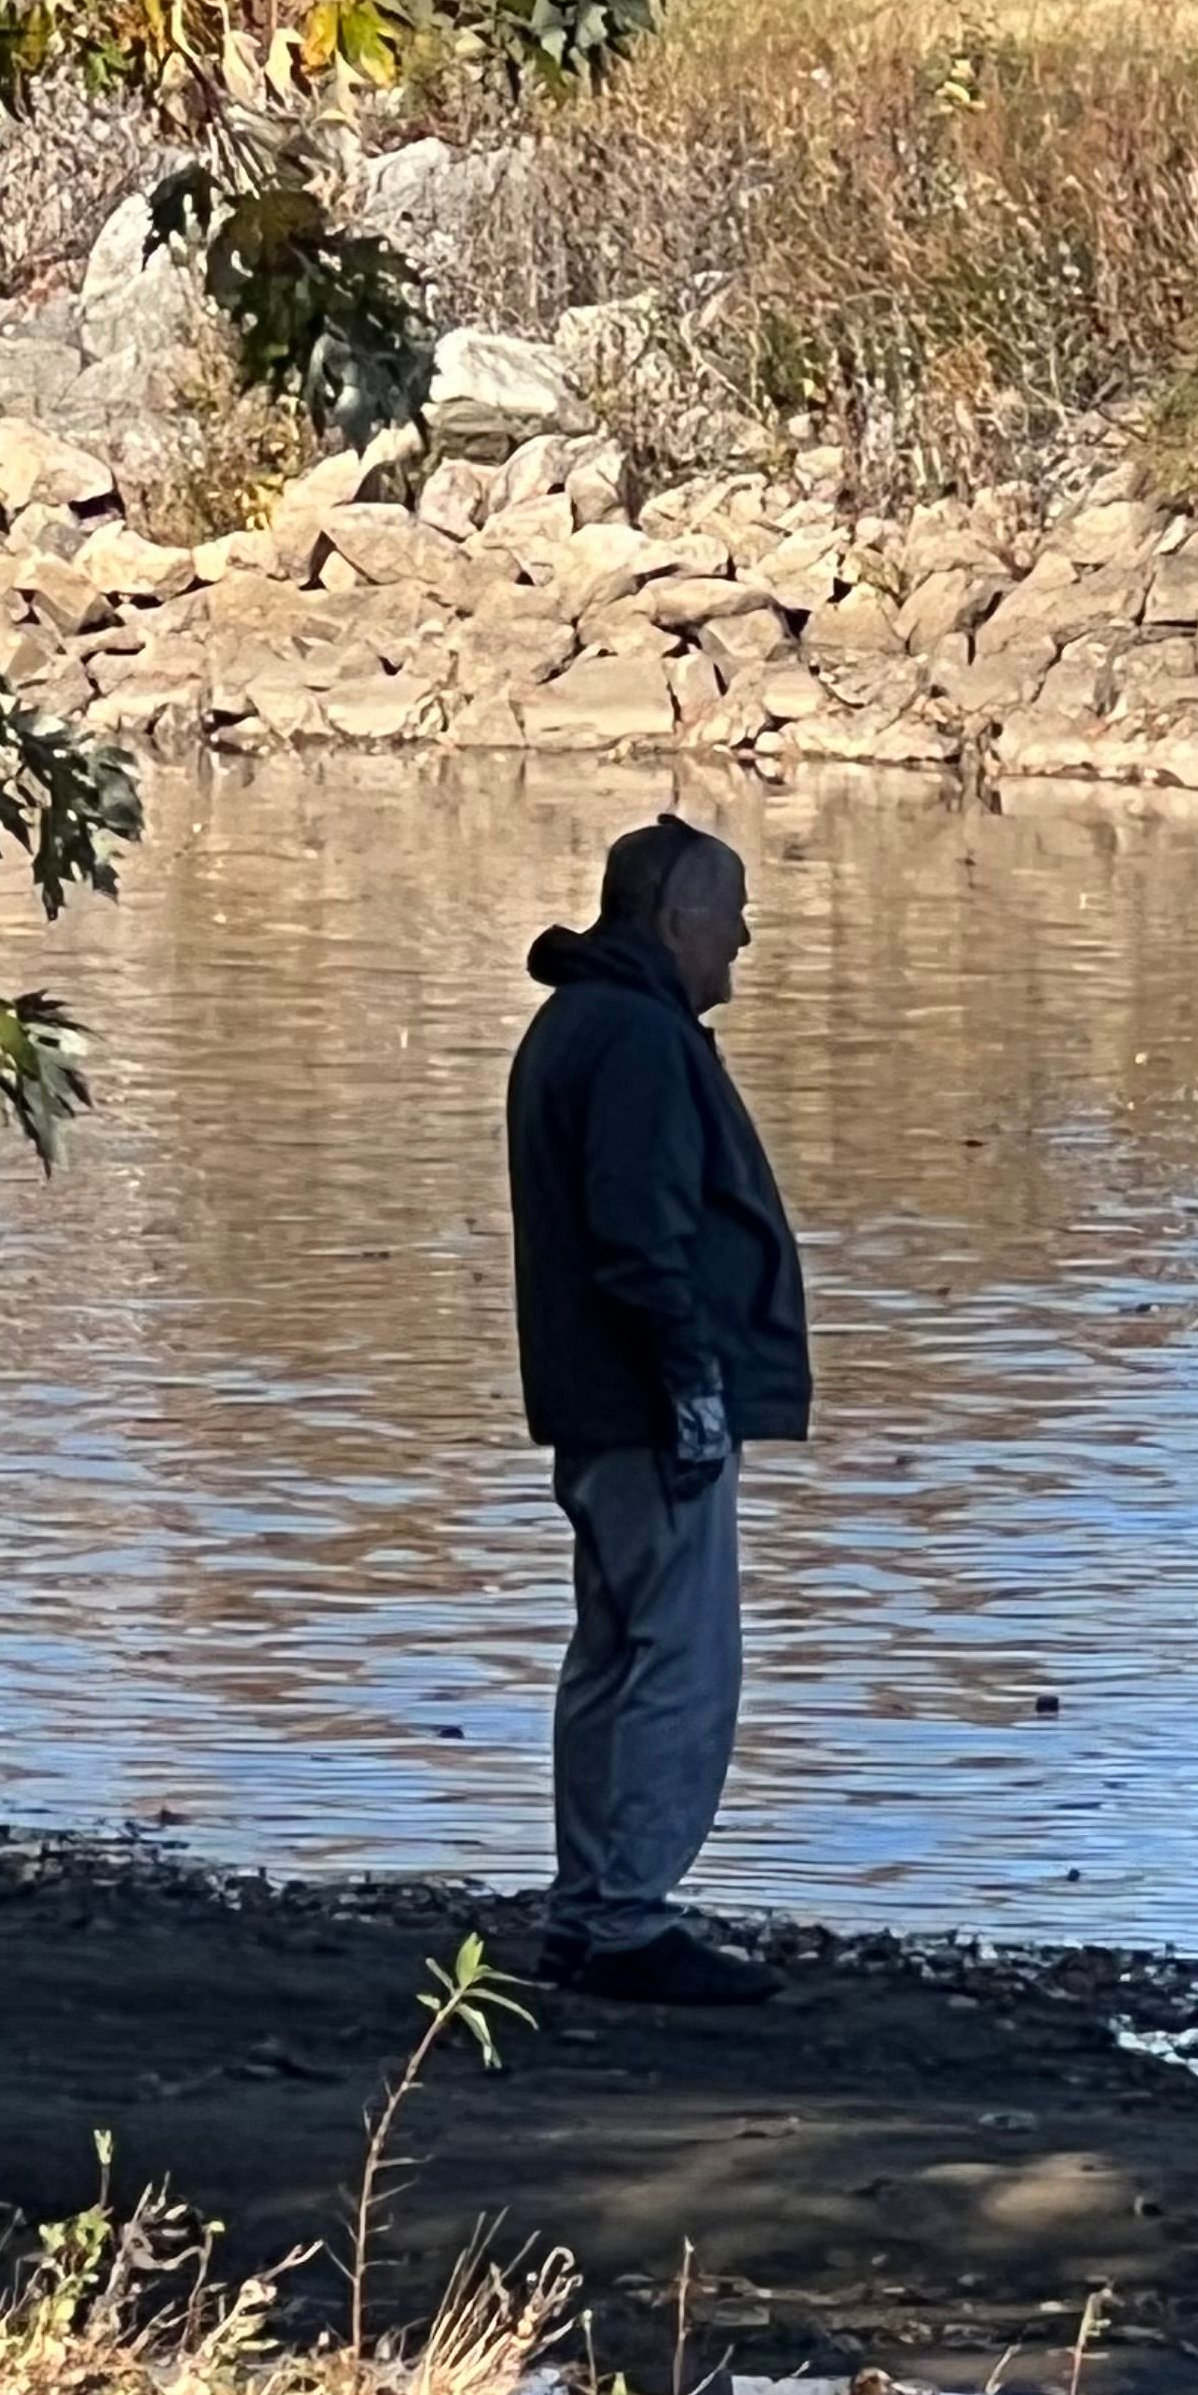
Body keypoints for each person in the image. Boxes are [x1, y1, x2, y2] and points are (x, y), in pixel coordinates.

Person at [507, 814, 811, 2005]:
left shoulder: (585, 1022)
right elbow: (643, 1239)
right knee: (677, 1662)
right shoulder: (635, 1038)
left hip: (597, 1405)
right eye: (731, 913)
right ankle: (624, 1921)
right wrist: (691, 1391)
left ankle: (589, 1911)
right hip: (640, 1408)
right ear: (675, 918)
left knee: (614, 1653)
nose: (743, 936)